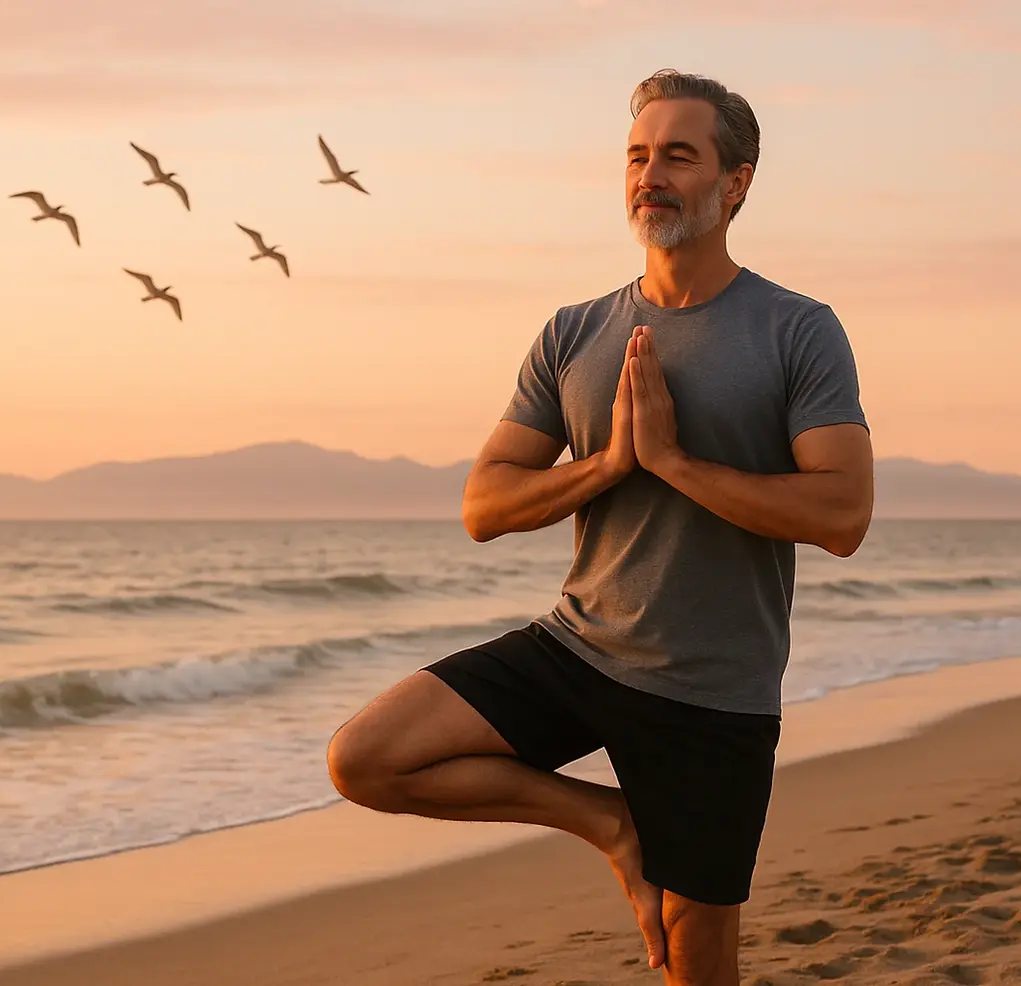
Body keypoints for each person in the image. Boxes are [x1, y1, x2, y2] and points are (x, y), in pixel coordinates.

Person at [326, 68, 875, 986]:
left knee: (694, 971)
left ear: (734, 182)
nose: (649, 174)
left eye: (677, 155)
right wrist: (611, 465)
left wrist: (675, 464)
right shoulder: (574, 331)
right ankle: (609, 823)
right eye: (637, 155)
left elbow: (843, 514)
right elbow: (484, 505)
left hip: (715, 692)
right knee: (368, 759)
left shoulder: (798, 331)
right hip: (579, 648)